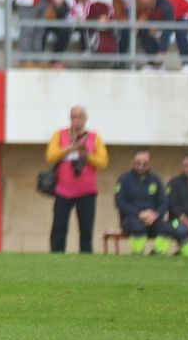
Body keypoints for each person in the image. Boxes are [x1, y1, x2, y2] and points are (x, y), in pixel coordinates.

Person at [47, 105, 109, 254]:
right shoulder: (59, 134)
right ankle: (56, 256)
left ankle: (86, 257)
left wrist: (85, 154)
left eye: (80, 117)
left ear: (85, 119)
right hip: (63, 191)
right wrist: (69, 148)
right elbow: (50, 156)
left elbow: (103, 162)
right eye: (73, 117)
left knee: (86, 229)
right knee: (59, 227)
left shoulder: (94, 137)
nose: (76, 120)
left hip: (86, 192)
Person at [115, 149, 172, 255]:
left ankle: (156, 254)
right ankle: (137, 254)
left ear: (150, 163)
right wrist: (139, 214)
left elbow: (163, 203)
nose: (141, 166)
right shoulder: (123, 179)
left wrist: (155, 215)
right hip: (130, 220)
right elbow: (120, 203)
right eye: (138, 163)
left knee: (168, 228)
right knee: (138, 228)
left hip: (152, 220)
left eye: (144, 163)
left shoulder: (156, 180)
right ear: (133, 161)